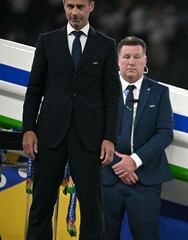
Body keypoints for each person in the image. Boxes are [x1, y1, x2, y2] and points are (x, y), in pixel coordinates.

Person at [21, 0, 120, 239]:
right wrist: (28, 129)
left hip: (89, 139)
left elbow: (112, 97)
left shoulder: (106, 46)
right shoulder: (47, 41)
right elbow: (34, 89)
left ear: (91, 6)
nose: (74, 12)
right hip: (49, 134)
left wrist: (109, 137)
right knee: (41, 206)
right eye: (70, 6)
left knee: (92, 209)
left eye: (80, 7)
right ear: (64, 5)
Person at [102, 36, 174, 240]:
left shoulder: (159, 92)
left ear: (145, 60)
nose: (131, 62)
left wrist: (133, 161)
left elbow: (165, 133)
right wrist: (120, 164)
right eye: (126, 56)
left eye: (136, 57)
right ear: (117, 60)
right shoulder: (102, 88)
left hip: (146, 181)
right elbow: (91, 130)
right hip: (106, 178)